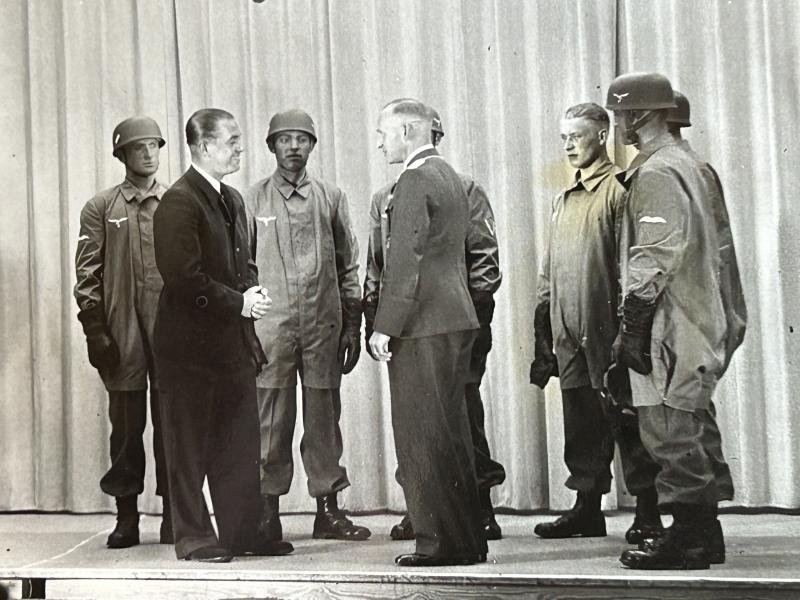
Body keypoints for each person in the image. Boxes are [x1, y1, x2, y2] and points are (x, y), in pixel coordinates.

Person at [603, 73, 746, 569]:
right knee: (689, 421)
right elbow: (722, 251)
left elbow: (652, 255)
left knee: (666, 428)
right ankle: (705, 535)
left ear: (641, 116)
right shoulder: (695, 167)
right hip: (699, 315)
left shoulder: (659, 172)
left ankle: (687, 539)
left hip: (670, 320)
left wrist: (633, 328)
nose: (617, 123)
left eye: (621, 114)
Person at [153, 108, 293, 562]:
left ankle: (241, 533)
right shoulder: (179, 202)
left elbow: (240, 263)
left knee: (238, 442)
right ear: (204, 147)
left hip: (230, 346)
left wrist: (249, 289)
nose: (239, 147)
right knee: (189, 446)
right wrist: (240, 303)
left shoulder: (231, 199)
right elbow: (184, 278)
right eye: (231, 140)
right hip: (188, 351)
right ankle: (193, 538)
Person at [363, 109, 506, 542]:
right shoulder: (448, 175)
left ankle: (440, 543)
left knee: (423, 437)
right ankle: (465, 539)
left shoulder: (414, 180)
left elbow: (407, 259)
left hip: (422, 324)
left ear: (407, 131)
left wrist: (384, 325)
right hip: (453, 319)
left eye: (384, 133)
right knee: (453, 433)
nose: (381, 143)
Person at [529, 103, 663, 543]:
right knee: (581, 422)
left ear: (602, 135)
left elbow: (631, 266)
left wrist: (629, 333)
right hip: (569, 332)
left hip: (607, 331)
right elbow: (549, 270)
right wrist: (544, 327)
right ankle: (587, 508)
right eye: (563, 137)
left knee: (628, 422)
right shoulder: (563, 199)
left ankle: (647, 512)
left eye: (577, 135)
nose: (568, 144)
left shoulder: (621, 191)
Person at [244, 109, 370, 544]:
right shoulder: (252, 199)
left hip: (322, 325)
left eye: (302, 139)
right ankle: (265, 514)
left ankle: (328, 510)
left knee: (323, 419)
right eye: (284, 139)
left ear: (313, 145)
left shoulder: (331, 197)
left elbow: (347, 265)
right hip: (272, 330)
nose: (293, 146)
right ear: (271, 146)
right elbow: (241, 269)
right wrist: (246, 329)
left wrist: (352, 324)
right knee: (270, 421)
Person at [74, 116, 172, 549]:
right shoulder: (101, 207)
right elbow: (87, 270)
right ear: (122, 155)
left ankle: (177, 513)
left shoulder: (175, 202)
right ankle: (127, 516)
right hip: (122, 331)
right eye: (139, 148)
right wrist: (95, 328)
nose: (148, 154)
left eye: (154, 145)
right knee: (127, 427)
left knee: (173, 424)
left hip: (170, 332)